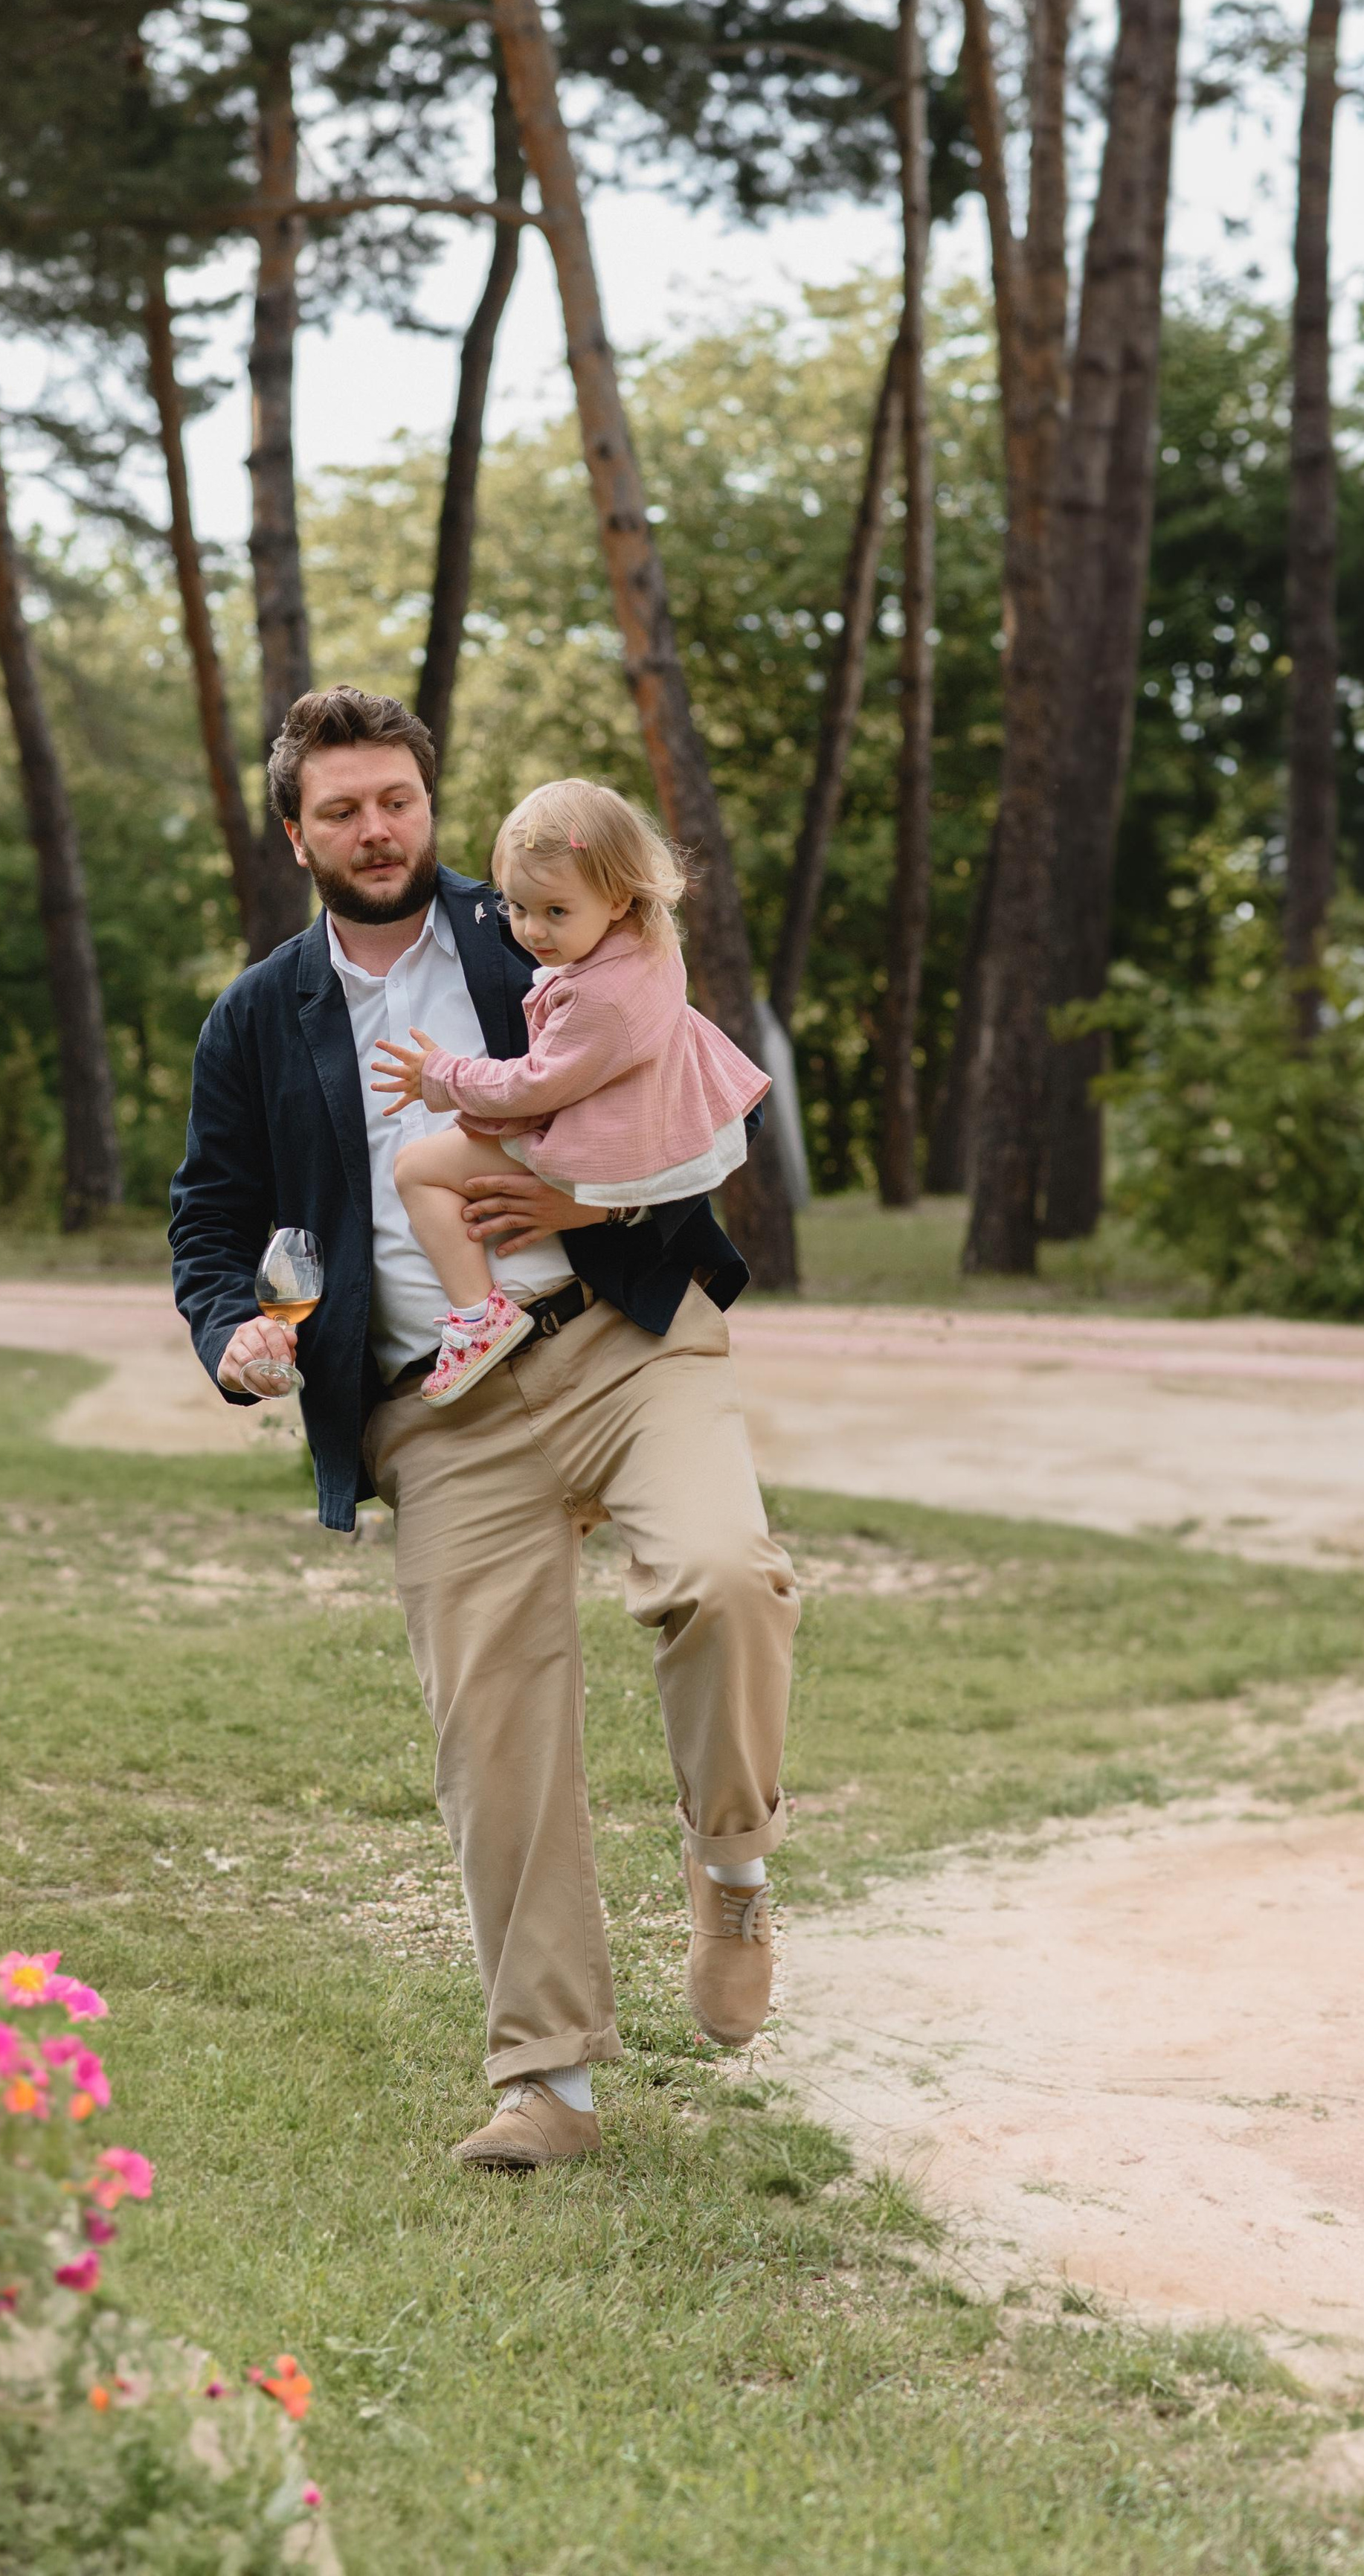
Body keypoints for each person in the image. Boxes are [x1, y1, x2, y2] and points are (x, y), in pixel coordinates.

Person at [170, 687, 798, 2173]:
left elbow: (701, 1118)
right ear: (293, 832)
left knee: (723, 1577)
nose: (374, 827)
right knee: (495, 1737)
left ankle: (730, 1867)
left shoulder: (552, 920)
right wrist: (234, 1336)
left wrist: (583, 1204)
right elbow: (208, 1221)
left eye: (394, 798)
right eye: (340, 808)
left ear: (426, 804)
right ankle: (551, 2088)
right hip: (435, 1407)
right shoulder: (258, 1015)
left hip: (624, 1340)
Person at [370, 777, 769, 1407]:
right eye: (517, 907)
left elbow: (536, 1083)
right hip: (633, 1130)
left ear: (616, 896)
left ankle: (478, 1317)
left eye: (556, 911)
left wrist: (442, 1077)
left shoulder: (598, 997)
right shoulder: (645, 945)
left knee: (417, 1169)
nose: (532, 931)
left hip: (600, 1154)